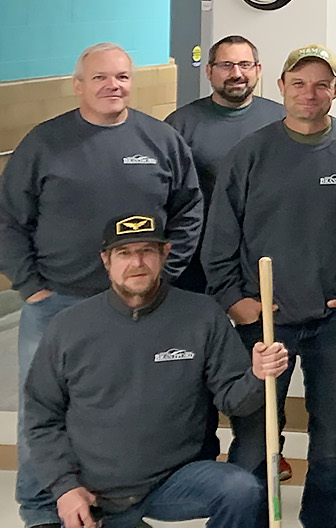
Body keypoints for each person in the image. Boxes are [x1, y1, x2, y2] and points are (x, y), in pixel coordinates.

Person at [2, 42, 204, 528]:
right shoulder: (44, 142)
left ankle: (122, 499)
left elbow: (188, 210)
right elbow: (8, 219)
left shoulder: (160, 139)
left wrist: (163, 279)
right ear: (78, 86)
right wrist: (31, 286)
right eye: (100, 78)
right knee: (42, 410)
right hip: (61, 302)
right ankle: (38, 508)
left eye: (122, 77)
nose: (113, 86)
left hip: (140, 305)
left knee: (126, 408)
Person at [201, 44, 336, 528]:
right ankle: (255, 518)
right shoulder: (250, 153)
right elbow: (220, 234)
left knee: (333, 434)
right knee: (256, 432)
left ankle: (319, 519)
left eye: (321, 83)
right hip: (266, 320)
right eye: (299, 82)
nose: (310, 92)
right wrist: (233, 300)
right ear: (280, 86)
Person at [23, 212, 288, 528]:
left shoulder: (203, 315)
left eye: (146, 250)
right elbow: (42, 419)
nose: (137, 263)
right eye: (124, 253)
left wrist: (257, 375)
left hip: (174, 481)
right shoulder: (68, 327)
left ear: (165, 254)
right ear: (106, 260)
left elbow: (233, 399)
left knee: (241, 490)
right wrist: (65, 488)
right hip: (93, 494)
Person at [163, 35, 286, 294]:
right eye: (226, 65)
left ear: (258, 70)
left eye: (245, 65)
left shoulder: (282, 119)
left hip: (267, 256)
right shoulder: (180, 125)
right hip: (198, 262)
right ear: (209, 71)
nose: (236, 73)